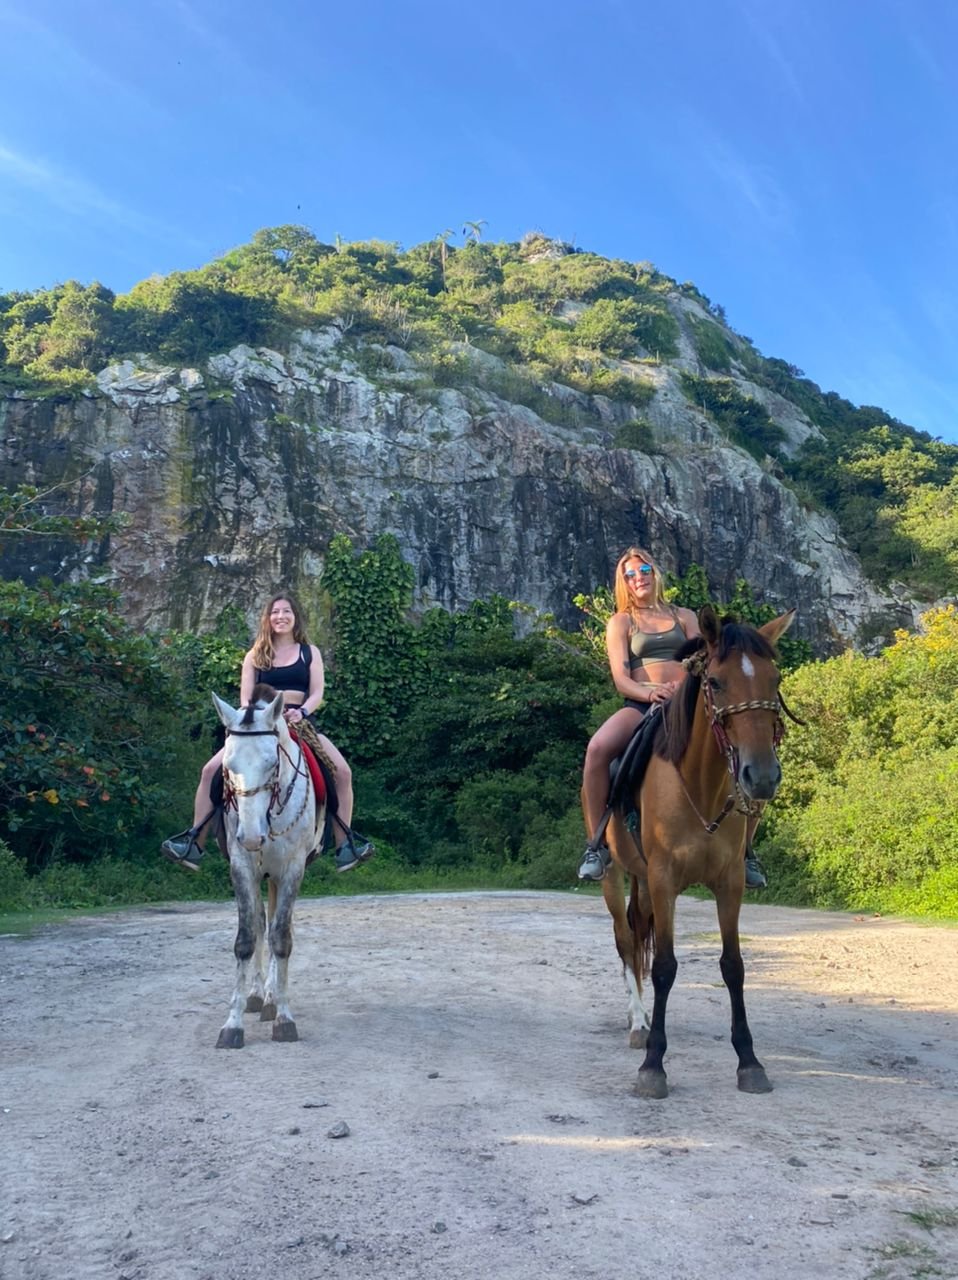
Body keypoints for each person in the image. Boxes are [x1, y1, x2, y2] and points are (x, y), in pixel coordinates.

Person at [576, 548, 769, 888]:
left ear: (655, 572)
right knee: (597, 750)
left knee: (749, 751)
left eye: (644, 569)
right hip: (641, 705)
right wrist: (651, 692)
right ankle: (596, 846)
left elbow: (704, 659)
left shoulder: (684, 616)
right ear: (623, 583)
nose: (639, 578)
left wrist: (683, 690)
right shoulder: (622, 621)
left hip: (687, 703)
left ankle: (745, 850)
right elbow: (621, 678)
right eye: (630, 574)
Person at [161, 593, 374, 874]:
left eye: (286, 611)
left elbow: (318, 693)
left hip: (299, 722)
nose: (281, 616)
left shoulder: (309, 652)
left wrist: (302, 712)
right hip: (259, 728)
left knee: (342, 773)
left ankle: (344, 842)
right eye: (275, 612)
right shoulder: (254, 655)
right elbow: (246, 700)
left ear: (295, 617)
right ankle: (194, 842)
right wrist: (259, 720)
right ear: (268, 618)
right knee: (209, 770)